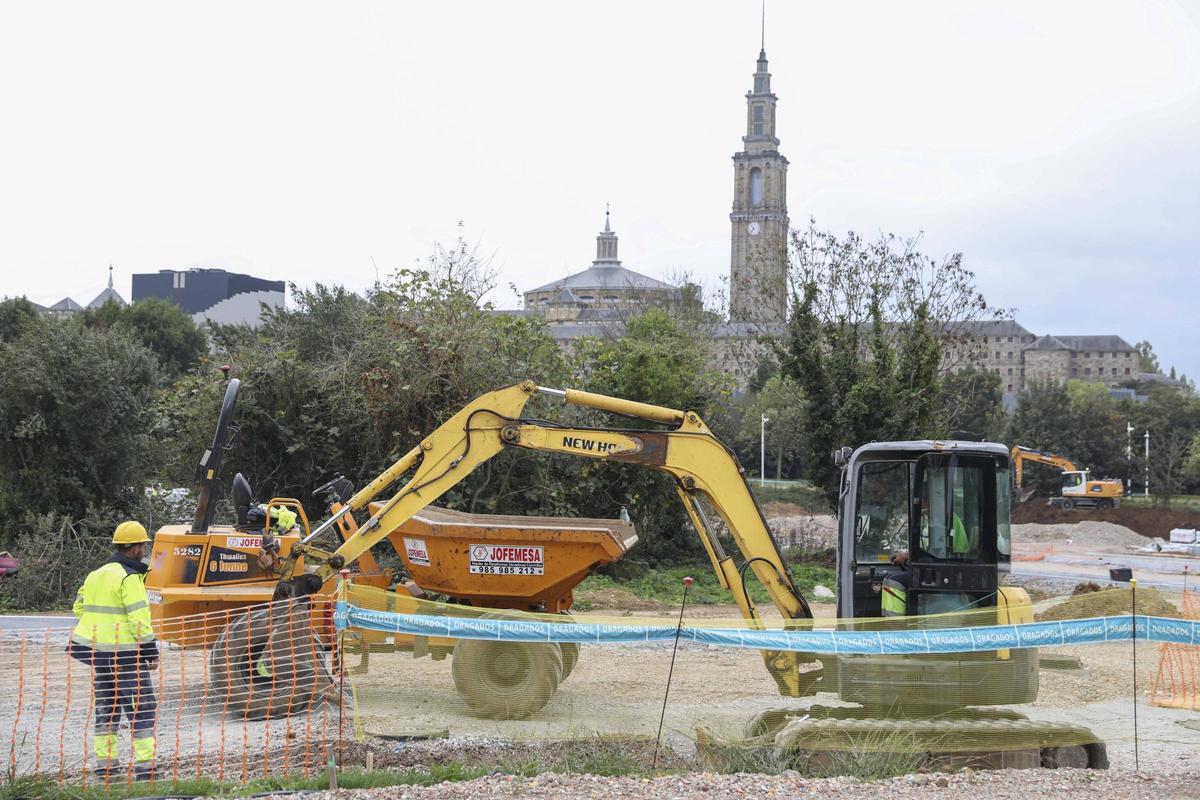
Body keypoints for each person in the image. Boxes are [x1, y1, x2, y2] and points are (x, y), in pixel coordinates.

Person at [69, 521, 158, 781]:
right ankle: (145, 770)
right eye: (142, 546)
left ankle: (106, 767)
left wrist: (101, 633)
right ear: (135, 548)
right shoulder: (129, 577)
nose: (143, 551)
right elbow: (139, 620)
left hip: (100, 656)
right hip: (127, 656)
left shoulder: (95, 575)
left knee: (106, 711)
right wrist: (151, 652)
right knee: (141, 710)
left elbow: (79, 607)